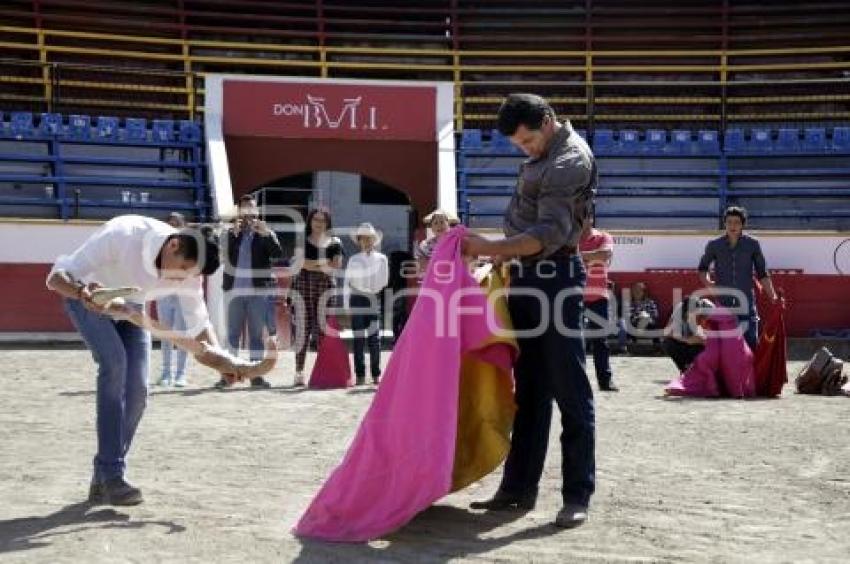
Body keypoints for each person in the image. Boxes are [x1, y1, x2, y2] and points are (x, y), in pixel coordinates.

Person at [46, 214, 267, 506]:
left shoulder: (189, 272)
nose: (184, 278)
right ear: (173, 245)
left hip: (131, 308)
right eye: (184, 269)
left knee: (138, 393)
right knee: (115, 365)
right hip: (89, 298)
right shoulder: (123, 234)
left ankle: (104, 476)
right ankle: (113, 475)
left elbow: (199, 328)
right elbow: (55, 278)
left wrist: (223, 364)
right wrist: (80, 292)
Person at [463, 93, 597, 529]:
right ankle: (517, 489)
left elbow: (546, 233)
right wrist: (502, 257)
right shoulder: (547, 153)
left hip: (555, 279)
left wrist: (489, 247)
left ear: (549, 121)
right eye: (519, 146)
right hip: (526, 277)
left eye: (527, 141)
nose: (525, 149)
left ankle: (577, 494)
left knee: (570, 389)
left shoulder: (570, 160)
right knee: (530, 391)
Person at [217, 194, 282, 390]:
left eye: (252, 209)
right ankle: (229, 374)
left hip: (258, 291)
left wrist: (267, 234)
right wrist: (231, 236)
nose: (248, 214)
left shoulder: (265, 232)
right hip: (234, 291)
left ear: (257, 212)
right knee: (232, 335)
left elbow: (278, 254)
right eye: (245, 209)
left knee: (256, 336)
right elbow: (221, 255)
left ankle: (256, 376)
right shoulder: (230, 233)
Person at [698, 205, 778, 351]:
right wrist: (710, 284)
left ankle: (749, 374)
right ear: (724, 224)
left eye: (736, 222)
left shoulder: (752, 244)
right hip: (724, 302)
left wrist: (773, 296)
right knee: (723, 344)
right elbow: (702, 269)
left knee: (750, 342)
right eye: (729, 222)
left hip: (746, 302)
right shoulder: (714, 245)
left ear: (742, 224)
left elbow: (762, 273)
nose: (732, 226)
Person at [291, 207, 344, 386]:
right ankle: (299, 371)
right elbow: (300, 263)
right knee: (302, 329)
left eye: (322, 220)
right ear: (310, 221)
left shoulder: (335, 241)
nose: (319, 223)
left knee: (323, 330)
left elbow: (335, 266)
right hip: (303, 285)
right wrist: (323, 264)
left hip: (326, 287)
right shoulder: (302, 240)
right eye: (316, 219)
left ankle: (322, 371)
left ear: (328, 222)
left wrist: (312, 264)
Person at [344, 223, 389, 385]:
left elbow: (384, 280)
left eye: (369, 238)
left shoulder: (382, 258)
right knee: (358, 338)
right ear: (359, 240)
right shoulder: (353, 259)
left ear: (374, 240)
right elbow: (347, 282)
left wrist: (372, 290)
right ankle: (360, 374)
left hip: (373, 297)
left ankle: (376, 373)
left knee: (374, 338)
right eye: (363, 238)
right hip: (356, 297)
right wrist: (347, 305)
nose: (366, 241)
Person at [579, 217, 618, 391]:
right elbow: (599, 256)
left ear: (590, 218)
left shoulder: (603, 237)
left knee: (600, 341)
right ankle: (576, 381)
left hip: (597, 297)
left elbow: (604, 255)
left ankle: (605, 380)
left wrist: (577, 256)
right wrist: (591, 257)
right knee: (573, 342)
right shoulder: (569, 238)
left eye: (584, 215)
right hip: (573, 297)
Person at [156, 212, 190, 387]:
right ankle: (166, 372)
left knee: (182, 335)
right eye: (170, 223)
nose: (173, 226)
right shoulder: (161, 245)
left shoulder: (189, 246)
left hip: (183, 294)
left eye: (176, 223)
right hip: (164, 293)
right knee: (166, 335)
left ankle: (181, 374)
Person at [662, 296, 714, 372]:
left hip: (703, 344)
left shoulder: (709, 309)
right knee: (668, 343)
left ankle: (703, 370)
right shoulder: (680, 308)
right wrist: (687, 340)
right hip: (688, 341)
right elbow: (667, 332)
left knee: (700, 349)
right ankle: (684, 370)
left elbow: (717, 337)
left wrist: (703, 339)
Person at [414, 209, 459, 277]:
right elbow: (421, 264)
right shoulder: (425, 245)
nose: (439, 226)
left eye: (442, 222)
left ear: (449, 225)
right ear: (431, 227)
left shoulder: (458, 243)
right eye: (435, 223)